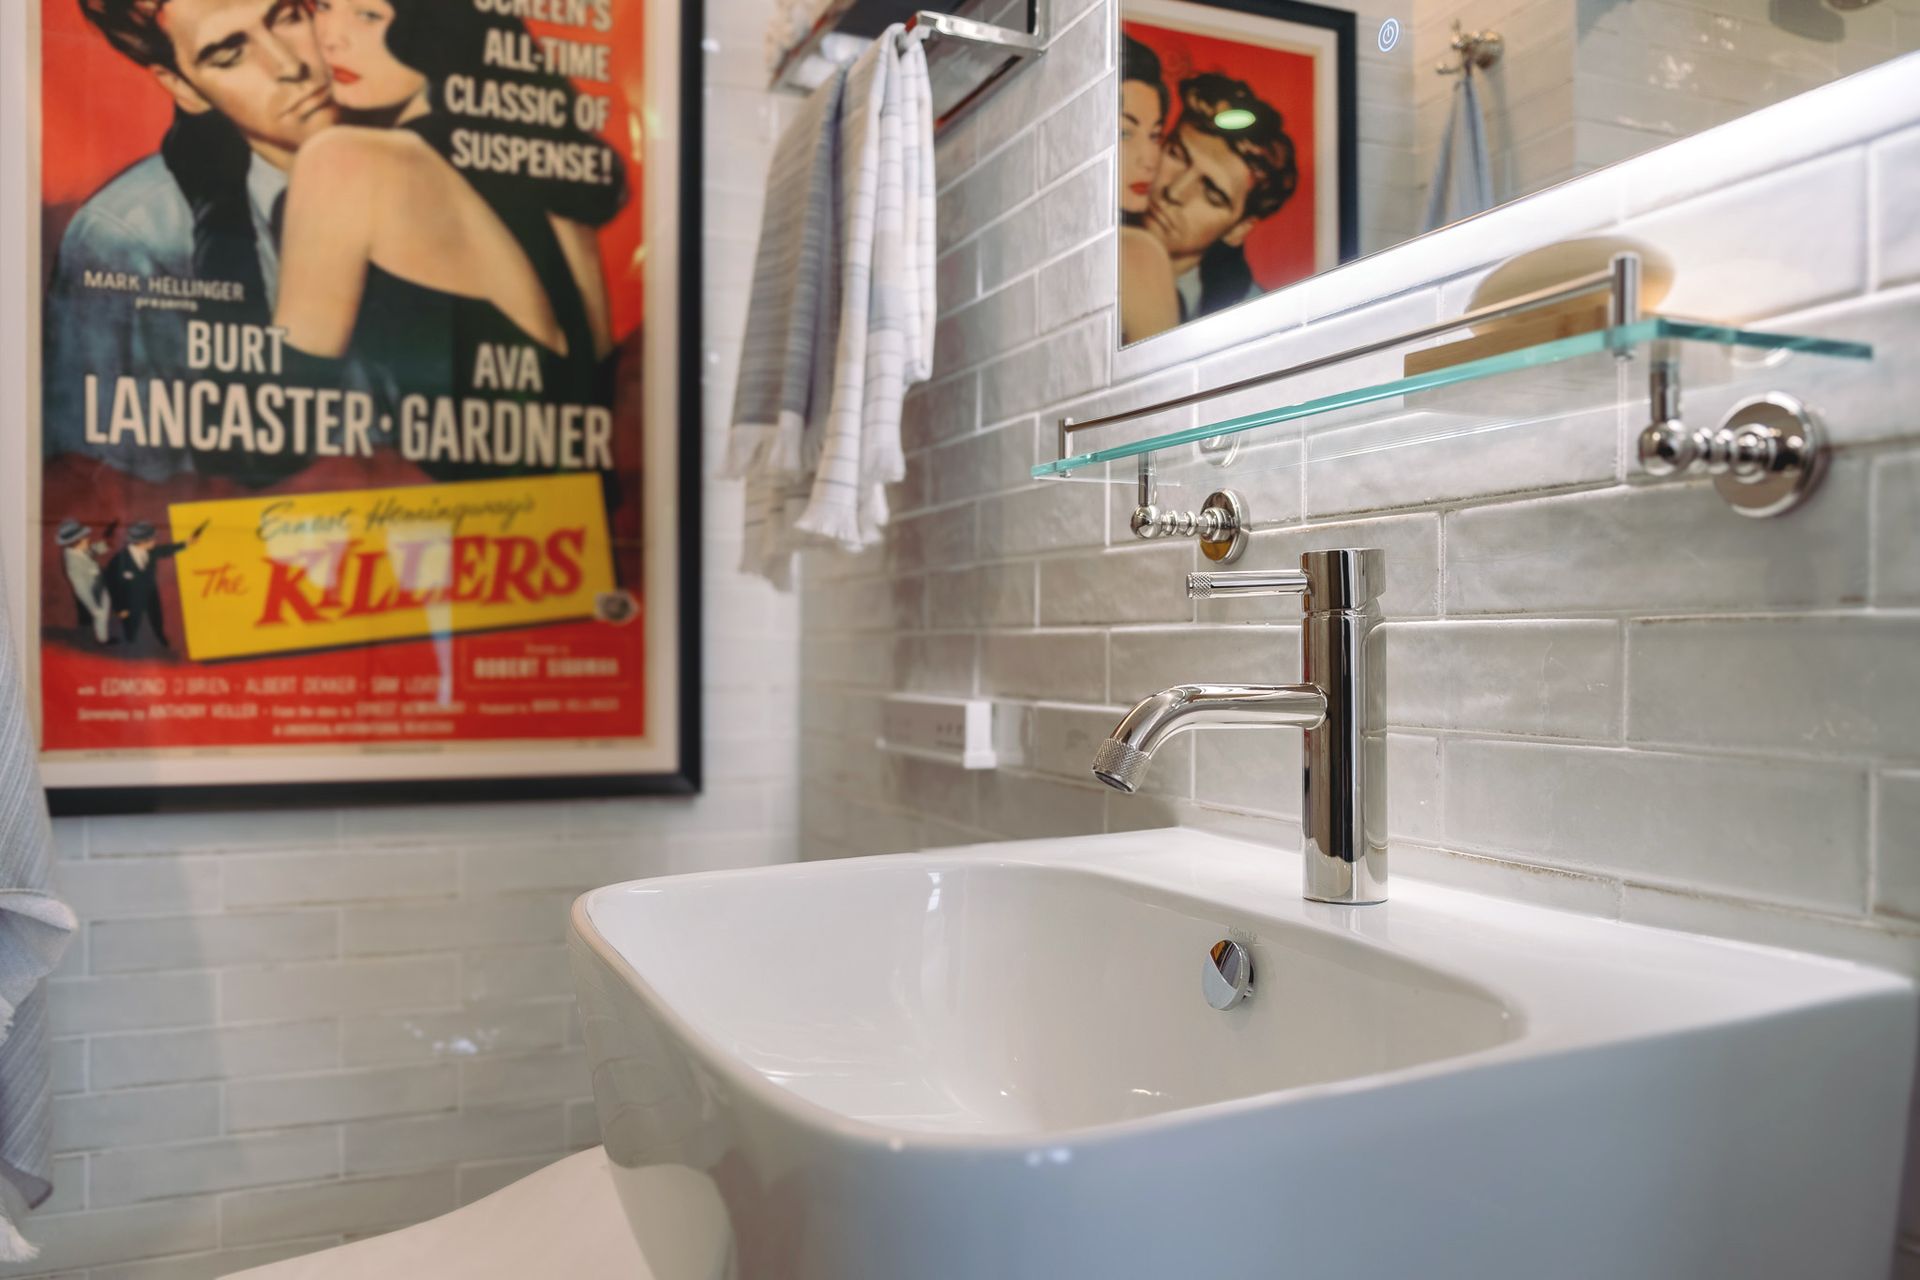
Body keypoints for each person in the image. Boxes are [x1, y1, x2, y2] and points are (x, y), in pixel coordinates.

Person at [273, 0, 626, 427]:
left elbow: (280, 433)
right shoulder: (551, 176)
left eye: (369, 15)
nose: (331, 37)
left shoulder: (344, 159)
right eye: (324, 6)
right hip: (557, 492)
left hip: (433, 492)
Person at [46, 0, 339, 482]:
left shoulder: (424, 182)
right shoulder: (130, 239)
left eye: (286, 16)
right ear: (182, 86)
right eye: (229, 53)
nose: (290, 66)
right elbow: (115, 493)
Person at [1134, 72, 1299, 337]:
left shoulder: (1255, 321)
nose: (1175, 191)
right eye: (1177, 154)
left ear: (1239, 229)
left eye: (1211, 193)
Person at [107, 522, 199, 650]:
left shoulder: (152, 551)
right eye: (152, 538)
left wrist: (186, 543)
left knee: (157, 618)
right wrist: (119, 608)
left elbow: (167, 549)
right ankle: (130, 639)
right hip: (130, 599)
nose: (155, 541)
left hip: (151, 594)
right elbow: (112, 586)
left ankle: (160, 637)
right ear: (142, 541)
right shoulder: (119, 560)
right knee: (131, 621)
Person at [56, 521, 113, 646]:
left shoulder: (80, 550)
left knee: (103, 612)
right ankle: (101, 641)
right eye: (84, 538)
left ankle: (103, 638)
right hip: (91, 593)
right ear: (76, 542)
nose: (88, 539)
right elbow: (80, 588)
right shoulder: (73, 562)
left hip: (99, 586)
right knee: (100, 614)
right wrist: (93, 607)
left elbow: (94, 549)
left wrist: (107, 542)